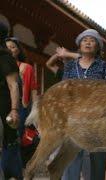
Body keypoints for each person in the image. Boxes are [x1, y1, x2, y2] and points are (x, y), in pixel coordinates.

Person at [48, 29, 106, 180]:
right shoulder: (70, 66)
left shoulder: (104, 66)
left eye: (92, 40)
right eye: (85, 40)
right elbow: (64, 89)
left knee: (96, 163)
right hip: (73, 118)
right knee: (72, 160)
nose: (88, 42)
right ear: (79, 45)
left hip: (98, 120)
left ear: (98, 47)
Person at [5, 37, 39, 167]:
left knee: (18, 138)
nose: (10, 49)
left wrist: (35, 110)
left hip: (21, 108)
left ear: (18, 50)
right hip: (4, 107)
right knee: (7, 140)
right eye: (7, 47)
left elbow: (34, 89)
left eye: (13, 47)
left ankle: (18, 169)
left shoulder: (27, 68)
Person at [0, 22, 21, 180]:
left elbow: (13, 85)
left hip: (3, 107)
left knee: (8, 145)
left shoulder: (5, 57)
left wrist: (14, 110)